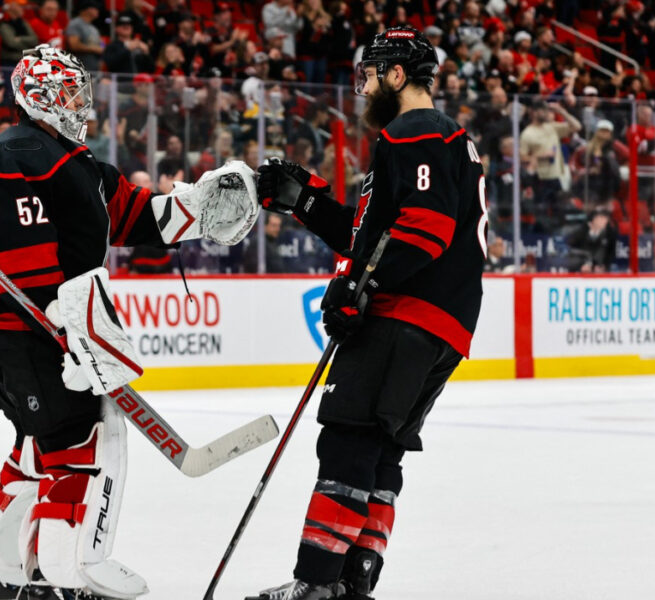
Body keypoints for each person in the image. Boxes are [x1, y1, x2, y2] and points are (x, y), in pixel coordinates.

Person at [0, 45, 258, 599]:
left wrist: (197, 208)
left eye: (79, 91)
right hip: (15, 323)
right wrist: (67, 330)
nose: (81, 103)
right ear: (36, 98)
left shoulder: (73, 160)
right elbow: (20, 255)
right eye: (67, 93)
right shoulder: (17, 150)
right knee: (81, 441)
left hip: (27, 321)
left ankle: (5, 572)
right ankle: (71, 577)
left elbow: (132, 214)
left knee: (39, 440)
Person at [249, 26, 487, 599]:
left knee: (349, 441)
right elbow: (371, 234)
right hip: (440, 326)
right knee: (379, 452)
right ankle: (353, 583)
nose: (364, 86)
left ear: (397, 76)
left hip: (405, 316)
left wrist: (360, 285)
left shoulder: (417, 129)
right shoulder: (431, 138)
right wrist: (304, 201)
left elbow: (425, 231)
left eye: (372, 74)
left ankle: (317, 584)